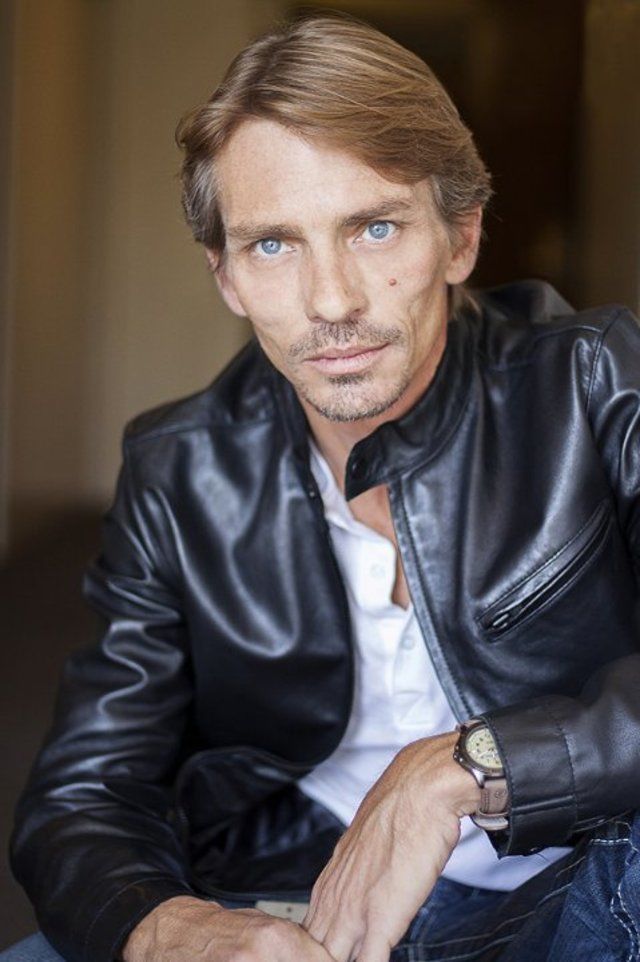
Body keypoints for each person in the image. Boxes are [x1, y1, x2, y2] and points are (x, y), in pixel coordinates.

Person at [4, 13, 640, 962]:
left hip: (588, 888)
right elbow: (83, 794)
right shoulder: (182, 471)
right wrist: (180, 930)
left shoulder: (595, 382)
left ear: (461, 237)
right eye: (273, 245)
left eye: (375, 227)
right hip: (298, 901)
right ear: (226, 277)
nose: (332, 300)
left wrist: (457, 769)